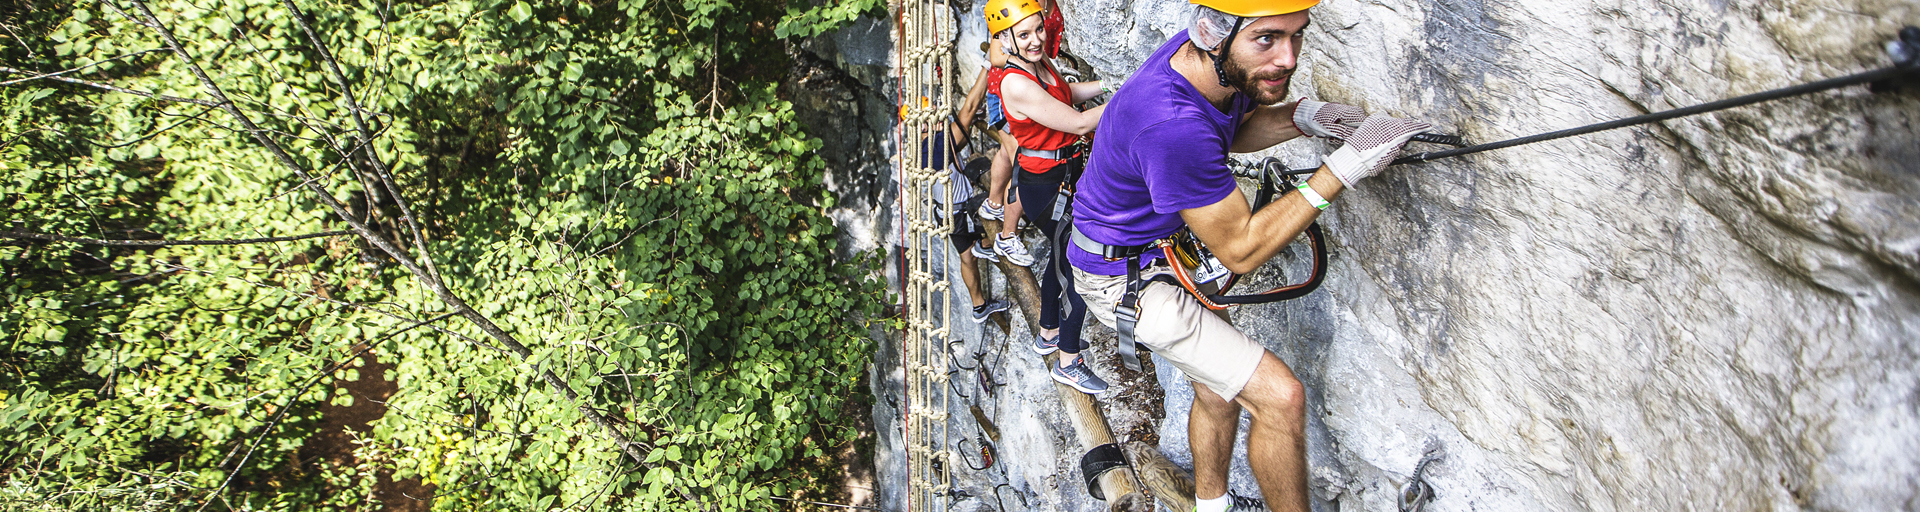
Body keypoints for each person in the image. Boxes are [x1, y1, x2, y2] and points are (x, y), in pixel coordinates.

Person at [1067, 0, 1433, 510]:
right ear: (1214, 33)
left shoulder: (1198, 66)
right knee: (1281, 398)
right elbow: (1240, 249)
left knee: (1219, 385)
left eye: (1297, 35)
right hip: (1122, 276)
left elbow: (1223, 132)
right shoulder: (1169, 121)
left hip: (1143, 250)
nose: (1288, 57)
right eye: (1266, 39)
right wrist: (1342, 168)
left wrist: (1303, 118)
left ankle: (1212, 505)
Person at [984, 0, 1112, 394]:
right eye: (1024, 34)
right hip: (1046, 184)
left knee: (1060, 255)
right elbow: (1074, 121)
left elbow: (1065, 94)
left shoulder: (1036, 66)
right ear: (1005, 38)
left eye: (1039, 29)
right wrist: (1130, 101)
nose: (1037, 39)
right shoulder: (1014, 81)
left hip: (1061, 175)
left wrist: (1110, 86)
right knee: (1079, 264)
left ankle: (1049, 333)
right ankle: (1069, 361)